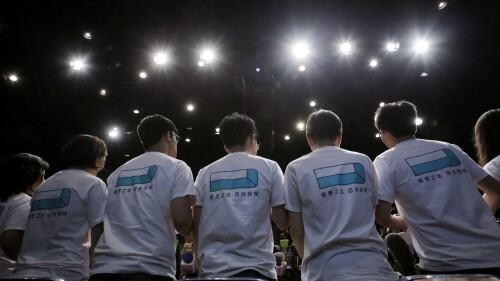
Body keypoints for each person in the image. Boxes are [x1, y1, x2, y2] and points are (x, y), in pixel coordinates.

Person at [373, 101, 500, 276]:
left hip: (446, 265)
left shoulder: (385, 161)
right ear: (414, 127)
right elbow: (496, 190)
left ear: (383, 134)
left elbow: (383, 217)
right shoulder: (449, 149)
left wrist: (407, 220)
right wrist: (474, 213)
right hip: (495, 252)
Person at [283, 109, 398, 281]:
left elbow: (296, 228)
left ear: (309, 138)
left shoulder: (295, 168)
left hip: (324, 270)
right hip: (375, 266)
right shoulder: (363, 160)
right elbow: (372, 208)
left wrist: (309, 259)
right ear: (340, 136)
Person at [90, 114, 194, 281]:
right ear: (169, 135)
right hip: (150, 267)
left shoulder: (117, 173)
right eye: (177, 138)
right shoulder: (177, 167)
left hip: (104, 268)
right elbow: (182, 222)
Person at [193, 112, 288, 281]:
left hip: (213, 269)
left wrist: (198, 261)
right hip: (258, 269)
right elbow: (282, 222)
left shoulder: (204, 173)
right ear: (252, 139)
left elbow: (197, 224)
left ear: (226, 146)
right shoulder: (270, 167)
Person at [14, 134, 108, 281]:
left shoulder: (43, 187)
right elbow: (99, 230)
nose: (105, 159)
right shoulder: (94, 184)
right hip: (67, 271)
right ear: (95, 157)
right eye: (104, 155)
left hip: (25, 270)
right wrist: (97, 268)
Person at [0, 153, 49, 277]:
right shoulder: (23, 202)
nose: (45, 181)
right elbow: (9, 241)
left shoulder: (5, 200)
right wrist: (31, 264)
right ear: (28, 176)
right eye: (42, 177)